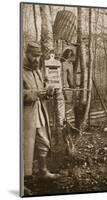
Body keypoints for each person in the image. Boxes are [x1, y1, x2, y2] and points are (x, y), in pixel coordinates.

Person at [23, 41, 60, 179]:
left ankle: (43, 171)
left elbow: (44, 85)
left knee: (43, 141)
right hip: (26, 114)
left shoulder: (37, 71)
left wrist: (49, 91)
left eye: (38, 56)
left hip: (40, 112)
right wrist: (35, 94)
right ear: (26, 54)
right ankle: (23, 180)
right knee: (25, 145)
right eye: (34, 56)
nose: (37, 59)